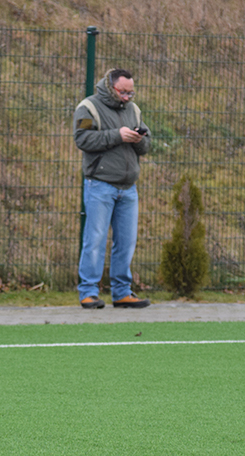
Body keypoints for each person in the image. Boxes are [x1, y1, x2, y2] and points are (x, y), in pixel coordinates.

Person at [74, 68, 152, 309]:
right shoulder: (88, 108)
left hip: (128, 188)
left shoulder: (134, 110)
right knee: (95, 240)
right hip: (100, 185)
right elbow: (82, 139)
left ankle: (122, 292)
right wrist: (117, 135)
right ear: (111, 87)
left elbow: (147, 144)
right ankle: (88, 292)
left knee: (126, 241)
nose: (128, 97)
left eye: (131, 92)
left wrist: (140, 139)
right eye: (123, 92)